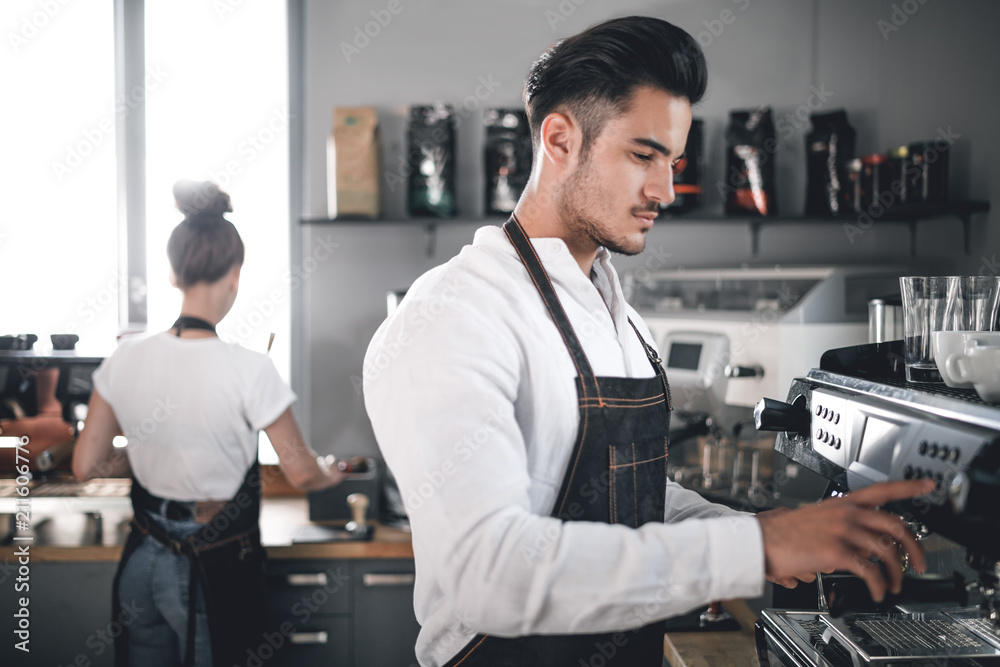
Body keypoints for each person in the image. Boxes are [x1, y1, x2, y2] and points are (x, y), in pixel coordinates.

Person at [362, 16, 934, 667]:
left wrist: (754, 532)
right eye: (643, 155)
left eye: (674, 162)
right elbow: (493, 576)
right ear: (558, 139)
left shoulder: (617, 315)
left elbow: (629, 497)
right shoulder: (454, 314)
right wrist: (757, 549)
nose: (665, 190)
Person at [72, 180, 344, 667]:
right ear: (235, 275)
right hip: (211, 564)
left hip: (141, 559)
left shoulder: (126, 357)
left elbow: (85, 465)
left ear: (173, 274)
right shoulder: (249, 367)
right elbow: (301, 473)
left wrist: (152, 445)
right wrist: (332, 472)